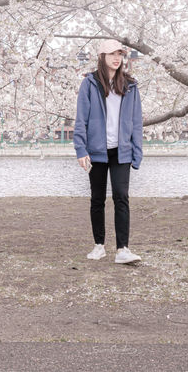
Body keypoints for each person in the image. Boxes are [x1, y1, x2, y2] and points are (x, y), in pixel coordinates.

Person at [73, 39, 143, 264]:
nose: (117, 58)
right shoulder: (90, 83)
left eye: (120, 54)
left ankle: (123, 249)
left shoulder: (130, 86)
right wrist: (81, 149)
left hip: (121, 151)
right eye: (112, 54)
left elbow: (136, 122)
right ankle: (99, 245)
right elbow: (81, 119)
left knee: (122, 197)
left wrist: (137, 152)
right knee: (97, 199)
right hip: (96, 151)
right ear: (102, 57)